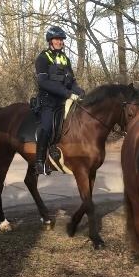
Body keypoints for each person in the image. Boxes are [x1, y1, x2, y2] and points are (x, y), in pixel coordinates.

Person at [33, 26, 85, 176]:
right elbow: (43, 82)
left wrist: (80, 92)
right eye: (57, 39)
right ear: (50, 41)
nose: (60, 42)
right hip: (48, 101)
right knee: (47, 126)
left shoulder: (65, 59)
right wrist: (68, 93)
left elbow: (72, 81)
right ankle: (39, 162)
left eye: (61, 39)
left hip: (64, 99)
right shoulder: (42, 58)